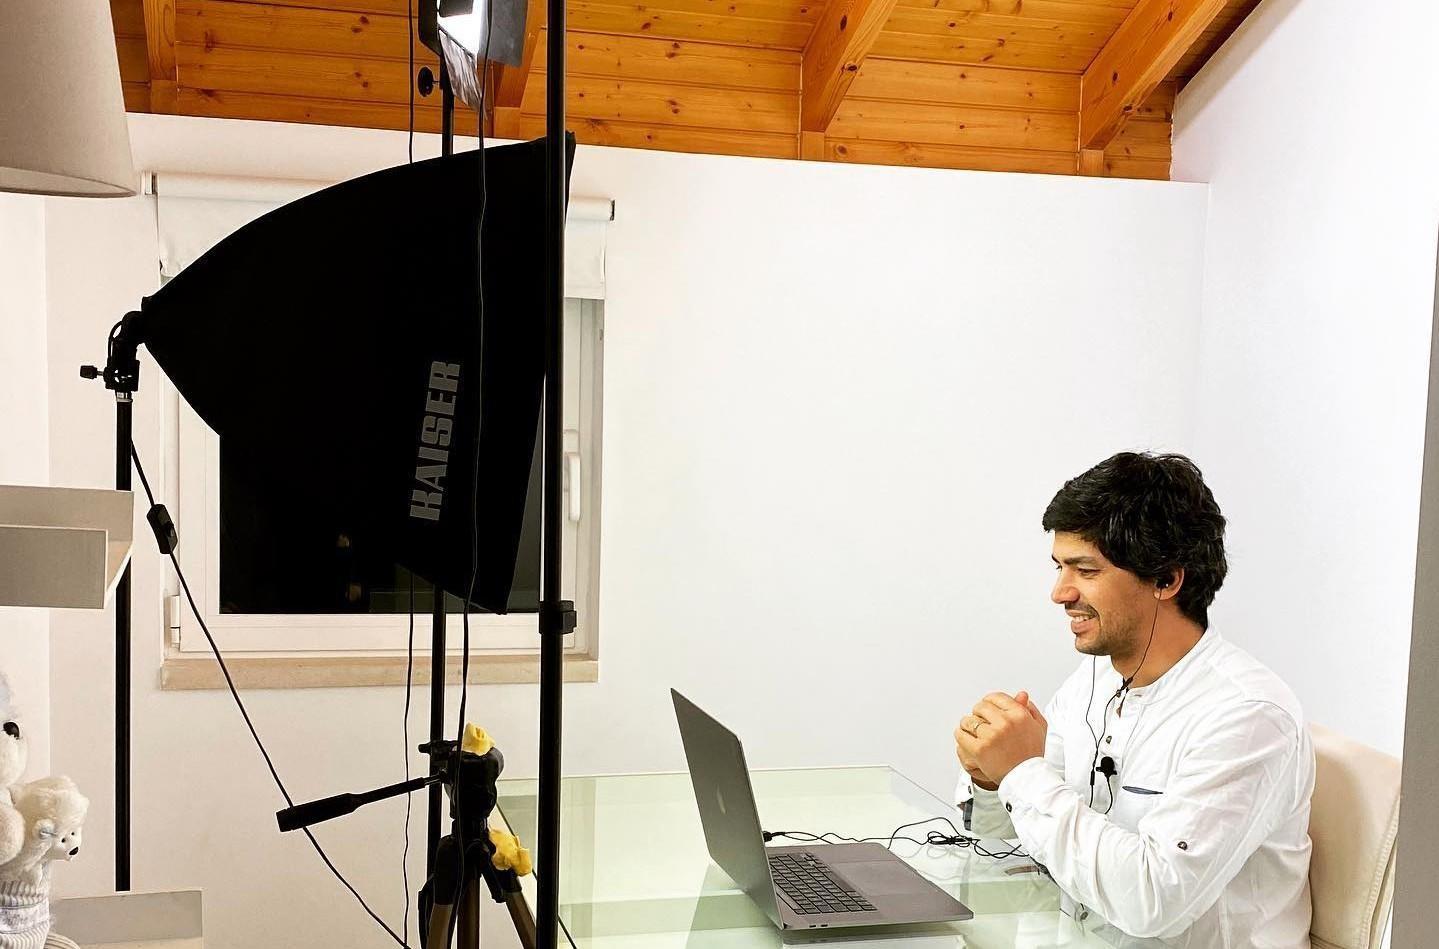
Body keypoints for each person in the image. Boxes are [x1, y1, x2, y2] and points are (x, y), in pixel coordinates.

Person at [954, 452, 1313, 946]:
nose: (1060, 593)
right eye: (1059, 567)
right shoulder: (1094, 679)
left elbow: (1153, 903)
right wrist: (991, 777)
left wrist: (1021, 771)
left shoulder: (1248, 716)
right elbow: (1003, 833)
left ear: (1166, 579)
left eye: (1085, 570)